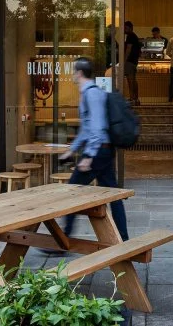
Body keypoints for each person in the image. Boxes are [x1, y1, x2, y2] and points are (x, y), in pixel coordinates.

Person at [59, 57, 129, 241]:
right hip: (103, 150)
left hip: (98, 152)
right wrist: (72, 150)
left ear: (80, 73)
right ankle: (123, 237)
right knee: (113, 195)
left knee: (73, 190)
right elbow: (86, 129)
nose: (73, 75)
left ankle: (64, 238)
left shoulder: (91, 94)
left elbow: (97, 127)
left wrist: (88, 156)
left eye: (74, 71)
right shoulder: (91, 92)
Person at [123, 21, 141, 106]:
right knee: (133, 80)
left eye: (126, 28)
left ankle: (132, 98)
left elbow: (128, 49)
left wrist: (124, 61)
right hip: (134, 61)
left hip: (130, 61)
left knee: (130, 80)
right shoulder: (134, 36)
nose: (124, 30)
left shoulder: (130, 36)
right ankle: (136, 98)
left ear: (130, 28)